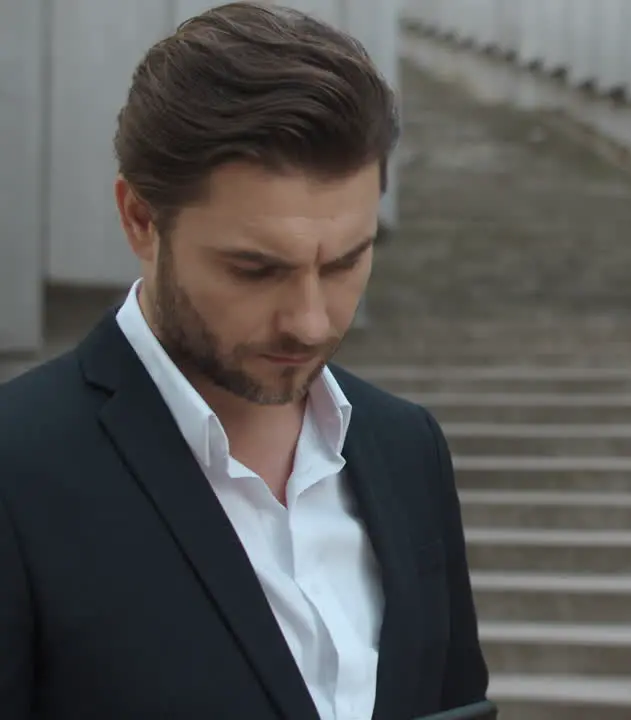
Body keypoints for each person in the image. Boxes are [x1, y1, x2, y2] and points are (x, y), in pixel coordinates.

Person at [0, 4, 490, 719]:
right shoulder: (16, 469)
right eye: (255, 269)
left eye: (347, 262)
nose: (310, 320)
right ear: (140, 218)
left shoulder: (406, 448)